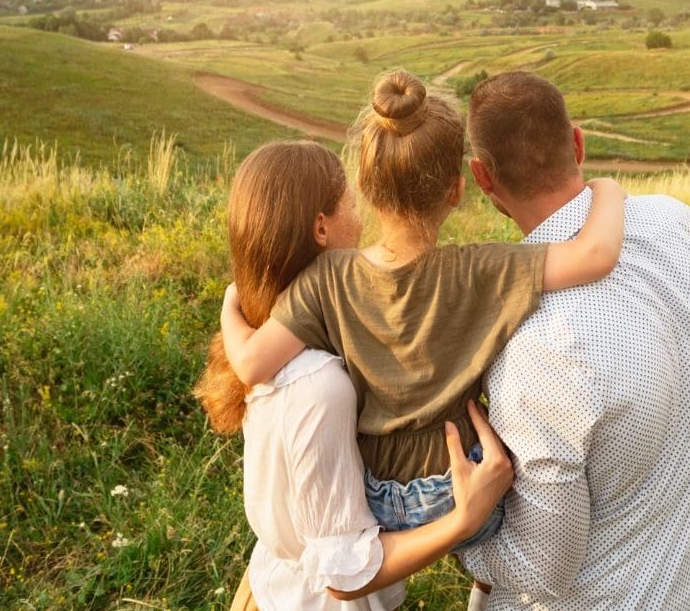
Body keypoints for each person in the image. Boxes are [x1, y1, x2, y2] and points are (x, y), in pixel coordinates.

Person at [458, 71, 690, 611]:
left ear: (482, 177)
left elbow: (544, 569)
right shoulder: (689, 228)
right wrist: (687, 462)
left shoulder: (534, 341)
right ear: (576, 143)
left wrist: (463, 537)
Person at [219, 71, 626, 579]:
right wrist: (607, 188)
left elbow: (253, 364)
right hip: (459, 490)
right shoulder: (481, 269)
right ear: (457, 190)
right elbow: (597, 254)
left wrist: (229, 306)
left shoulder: (327, 277)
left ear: (365, 187)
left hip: (375, 502)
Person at [192, 140, 515, 611]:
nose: (361, 216)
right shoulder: (320, 384)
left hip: (269, 601)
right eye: (348, 203)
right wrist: (466, 517)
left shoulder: (267, 330)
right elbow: (345, 572)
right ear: (321, 227)